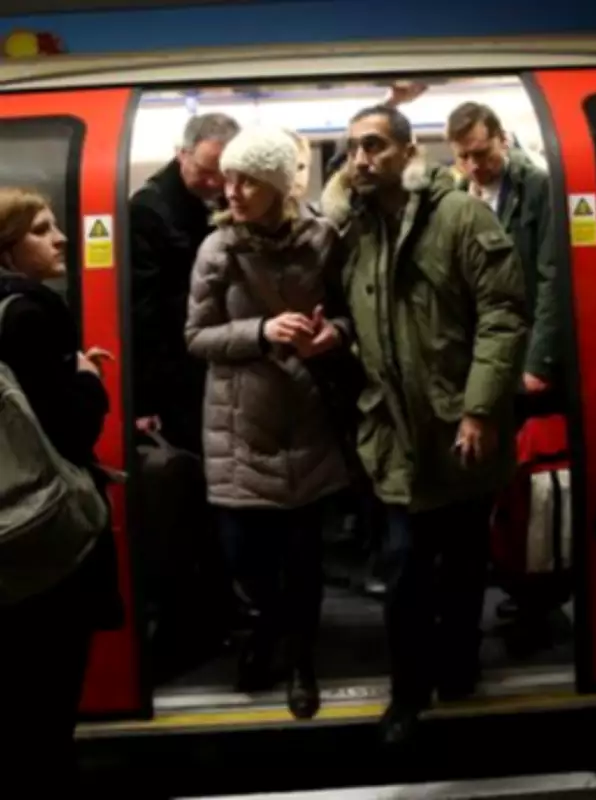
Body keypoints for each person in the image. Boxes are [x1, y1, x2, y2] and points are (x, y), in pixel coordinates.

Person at [321, 105, 529, 745]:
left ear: (409, 153)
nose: (362, 158)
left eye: (376, 145)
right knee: (406, 568)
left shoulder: (461, 217)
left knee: (465, 563)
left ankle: (460, 665)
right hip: (394, 437)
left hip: (459, 430)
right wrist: (335, 337)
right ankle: (409, 693)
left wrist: (480, 407)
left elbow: (503, 314)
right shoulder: (355, 230)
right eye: (354, 148)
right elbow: (363, 318)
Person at [185, 126, 352, 717]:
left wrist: (334, 335)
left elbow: (352, 314)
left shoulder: (324, 240)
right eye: (227, 177)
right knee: (248, 563)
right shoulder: (217, 249)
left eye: (246, 180)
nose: (230, 190)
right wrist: (260, 331)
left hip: (306, 421)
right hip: (238, 428)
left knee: (304, 565)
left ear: (279, 185)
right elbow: (196, 337)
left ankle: (301, 661)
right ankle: (267, 633)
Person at [0, 187, 123, 791]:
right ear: (7, 249)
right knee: (46, 705)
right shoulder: (29, 311)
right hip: (39, 543)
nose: (61, 239)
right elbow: (70, 430)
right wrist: (87, 378)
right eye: (42, 230)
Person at [130, 112, 240, 452]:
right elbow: (144, 312)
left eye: (222, 174)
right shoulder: (149, 210)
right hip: (178, 367)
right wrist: (146, 397)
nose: (214, 183)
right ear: (182, 154)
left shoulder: (230, 197)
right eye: (204, 171)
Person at [446, 102, 560, 408]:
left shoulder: (537, 188)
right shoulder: (454, 200)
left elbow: (552, 277)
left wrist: (540, 361)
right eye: (463, 157)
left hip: (523, 348)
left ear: (503, 140)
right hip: (477, 351)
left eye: (481, 154)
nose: (472, 166)